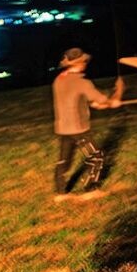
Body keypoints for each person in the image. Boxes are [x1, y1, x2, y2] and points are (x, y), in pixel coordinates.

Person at [53, 47, 121, 201]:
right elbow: (102, 99)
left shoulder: (59, 80)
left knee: (64, 160)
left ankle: (60, 193)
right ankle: (91, 190)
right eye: (84, 61)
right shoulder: (82, 82)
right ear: (81, 63)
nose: (86, 63)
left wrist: (95, 104)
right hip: (79, 129)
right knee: (96, 157)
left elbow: (75, 99)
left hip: (63, 128)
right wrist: (113, 101)